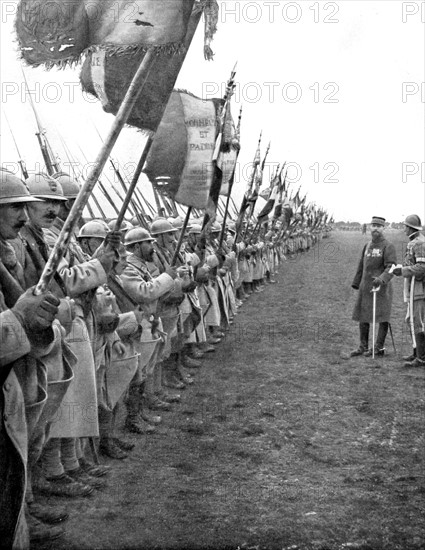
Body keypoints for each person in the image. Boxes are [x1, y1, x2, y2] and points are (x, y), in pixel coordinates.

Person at [350, 216, 397, 357]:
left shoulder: (388, 246)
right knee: (363, 315)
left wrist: (381, 279)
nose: (375, 228)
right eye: (373, 225)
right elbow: (361, 265)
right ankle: (363, 346)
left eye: (379, 226)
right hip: (366, 287)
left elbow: (391, 267)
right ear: (370, 227)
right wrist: (356, 282)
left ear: (383, 228)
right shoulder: (367, 245)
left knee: (382, 317)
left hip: (381, 288)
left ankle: (378, 347)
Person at [392, 215, 425, 367]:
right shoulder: (415, 242)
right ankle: (416, 352)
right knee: (410, 320)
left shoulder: (419, 243)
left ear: (411, 228)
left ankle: (421, 357)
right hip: (412, 285)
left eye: (405, 226)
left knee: (417, 322)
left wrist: (403, 270)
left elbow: (422, 268)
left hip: (419, 287)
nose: (404, 228)